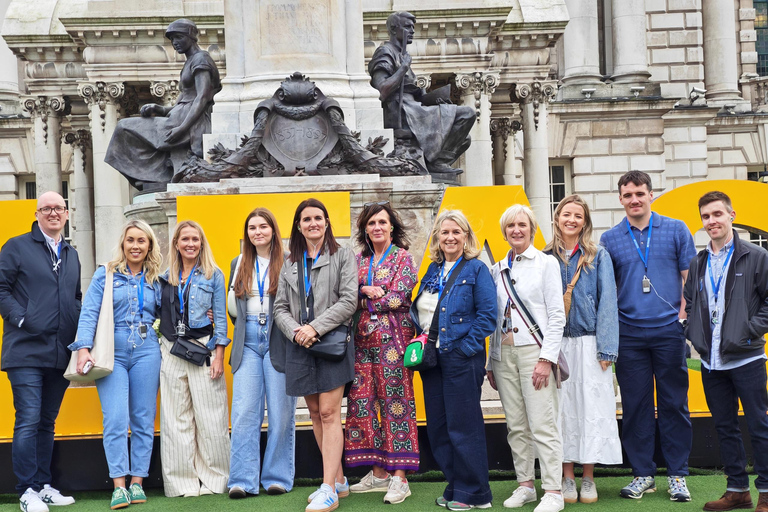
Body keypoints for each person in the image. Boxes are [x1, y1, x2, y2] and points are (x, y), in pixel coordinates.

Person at [600, 170, 696, 501]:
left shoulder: (675, 229)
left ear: (651, 194)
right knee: (636, 407)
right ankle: (642, 474)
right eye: (627, 195)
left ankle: (678, 475)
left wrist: (683, 320)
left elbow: (690, 279)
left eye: (640, 193)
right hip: (629, 334)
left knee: (674, 404)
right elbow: (607, 290)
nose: (634, 200)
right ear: (620, 199)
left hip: (668, 331)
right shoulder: (610, 239)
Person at [69, 220, 163, 510]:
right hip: (113, 351)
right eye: (131, 240)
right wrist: (83, 348)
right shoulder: (106, 274)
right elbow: (89, 313)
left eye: (142, 241)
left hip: (148, 350)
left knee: (144, 418)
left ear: (149, 246)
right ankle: (119, 485)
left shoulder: (156, 279)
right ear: (123, 243)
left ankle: (137, 482)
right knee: (116, 419)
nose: (136, 246)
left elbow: (171, 312)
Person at [683, 191, 768, 512]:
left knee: (759, 426)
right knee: (724, 426)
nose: (711, 221)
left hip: (747, 357)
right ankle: (737, 490)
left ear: (731, 215)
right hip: (711, 360)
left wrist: (747, 329)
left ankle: (766, 492)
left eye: (717, 214)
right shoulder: (699, 261)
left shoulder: (755, 256)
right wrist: (695, 334)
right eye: (706, 217)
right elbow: (691, 304)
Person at [408, 210, 497, 511]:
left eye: (456, 232)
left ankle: (476, 494)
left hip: (461, 358)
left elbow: (487, 316)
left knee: (464, 426)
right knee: (438, 426)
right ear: (438, 237)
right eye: (445, 232)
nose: (450, 237)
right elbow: (421, 308)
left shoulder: (476, 270)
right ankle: (456, 484)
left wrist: (464, 348)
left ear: (466, 236)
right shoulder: (433, 270)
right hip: (432, 360)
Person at [273, 198, 358, 512]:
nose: (313, 224)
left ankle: (328, 490)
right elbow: (279, 307)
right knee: (314, 415)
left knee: (329, 413)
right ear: (298, 225)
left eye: (318, 218)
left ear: (326, 222)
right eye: (306, 219)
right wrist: (297, 330)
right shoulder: (290, 262)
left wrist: (315, 328)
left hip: (332, 345)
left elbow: (349, 301)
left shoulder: (343, 256)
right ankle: (337, 479)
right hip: (300, 346)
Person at [0, 192, 80, 512]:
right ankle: (26, 490)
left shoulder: (71, 253)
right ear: (37, 213)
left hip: (59, 351)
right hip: (25, 351)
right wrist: (22, 319)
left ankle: (43, 485)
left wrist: (77, 335)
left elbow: (75, 297)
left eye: (58, 208)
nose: (52, 213)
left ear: (66, 214)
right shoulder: (16, 246)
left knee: (47, 421)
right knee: (29, 419)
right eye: (46, 208)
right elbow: (1, 289)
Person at [486, 204, 565, 512]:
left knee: (543, 423)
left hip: (535, 352)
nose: (516, 230)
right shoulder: (496, 268)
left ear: (532, 228)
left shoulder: (546, 264)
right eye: (510, 226)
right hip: (503, 354)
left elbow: (557, 316)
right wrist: (490, 360)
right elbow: (493, 319)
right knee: (516, 425)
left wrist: (547, 359)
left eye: (521, 224)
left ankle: (553, 491)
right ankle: (525, 486)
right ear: (504, 231)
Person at [544, 195, 621, 504]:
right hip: (557, 343)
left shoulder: (597, 255)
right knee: (561, 410)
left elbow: (608, 304)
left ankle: (588, 477)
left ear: (585, 221)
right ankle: (566, 476)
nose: (571, 220)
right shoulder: (545, 256)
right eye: (566, 214)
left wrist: (607, 350)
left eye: (578, 215)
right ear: (557, 218)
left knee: (591, 409)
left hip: (590, 343)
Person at [345, 202, 419, 504]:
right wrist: (363, 292)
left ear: (392, 227)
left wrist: (367, 299)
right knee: (363, 404)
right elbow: (347, 295)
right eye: (372, 223)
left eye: (382, 222)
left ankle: (400, 477)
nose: (377, 227)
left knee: (396, 404)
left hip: (394, 342)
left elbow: (400, 297)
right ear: (365, 228)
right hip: (362, 343)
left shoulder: (404, 258)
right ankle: (378, 473)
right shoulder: (357, 260)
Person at [228, 208, 297, 498]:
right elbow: (234, 308)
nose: (258, 232)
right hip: (247, 341)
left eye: (263, 227)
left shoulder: (289, 261)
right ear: (247, 233)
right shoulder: (239, 262)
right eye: (252, 228)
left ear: (273, 230)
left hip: (279, 338)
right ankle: (242, 481)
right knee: (244, 412)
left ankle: (276, 477)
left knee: (281, 412)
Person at [157, 220, 230, 497]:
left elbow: (221, 320)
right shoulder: (165, 277)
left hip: (203, 348)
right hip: (173, 349)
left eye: (195, 239)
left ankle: (214, 480)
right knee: (176, 418)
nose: (190, 244)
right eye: (185, 239)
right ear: (176, 243)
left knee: (211, 417)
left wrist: (219, 357)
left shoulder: (214, 274)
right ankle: (182, 483)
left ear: (202, 243)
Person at [105, 18, 222, 189]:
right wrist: (160, 108)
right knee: (124, 129)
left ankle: (147, 176)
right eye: (172, 39)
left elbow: (203, 97)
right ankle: (148, 177)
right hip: (178, 118)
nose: (175, 43)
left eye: (178, 37)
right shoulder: (190, 61)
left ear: (191, 36)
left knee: (123, 128)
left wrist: (182, 129)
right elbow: (185, 100)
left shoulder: (201, 59)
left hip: (186, 124)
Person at [368, 11, 475, 176]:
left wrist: (433, 99)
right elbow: (382, 90)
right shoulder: (385, 52)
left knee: (464, 139)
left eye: (413, 27)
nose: (412, 31)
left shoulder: (402, 54)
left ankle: (435, 161)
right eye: (407, 27)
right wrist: (403, 68)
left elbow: (416, 94)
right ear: (394, 29)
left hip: (415, 109)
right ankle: (437, 162)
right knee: (467, 114)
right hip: (402, 112)